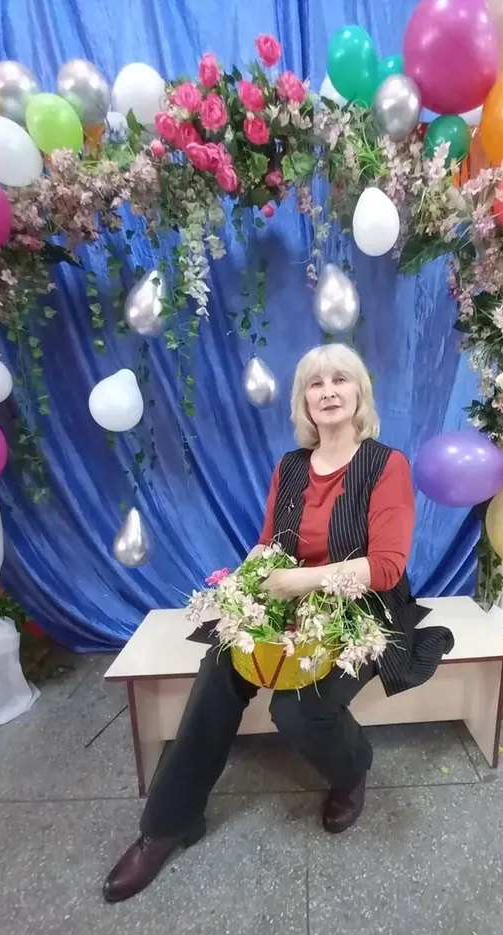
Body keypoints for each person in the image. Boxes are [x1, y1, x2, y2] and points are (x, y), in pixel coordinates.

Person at [103, 343, 453, 903]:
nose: (329, 391)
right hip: (288, 598)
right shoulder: (290, 467)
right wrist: (243, 586)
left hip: (363, 606)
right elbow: (270, 546)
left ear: (360, 393)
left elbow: (387, 567)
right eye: (316, 383)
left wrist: (300, 583)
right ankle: (167, 824)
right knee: (219, 668)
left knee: (299, 707)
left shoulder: (386, 465)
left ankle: (353, 770)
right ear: (304, 401)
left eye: (341, 379)